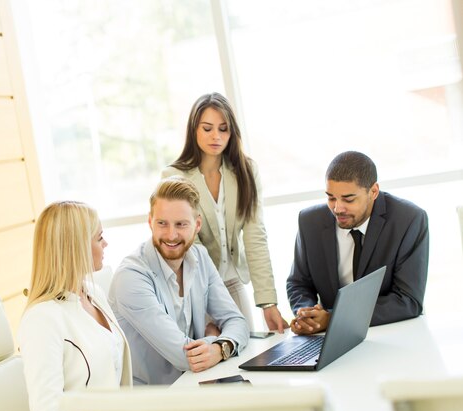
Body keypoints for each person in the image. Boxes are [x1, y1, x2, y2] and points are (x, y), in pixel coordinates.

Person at [162, 92, 288, 333]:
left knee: (248, 352)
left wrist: (268, 302)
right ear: (193, 130)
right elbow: (189, 244)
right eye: (207, 128)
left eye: (223, 129)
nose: (216, 137)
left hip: (232, 281)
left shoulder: (246, 171)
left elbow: (255, 237)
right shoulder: (173, 177)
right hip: (194, 287)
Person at [109, 176, 249, 385]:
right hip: (153, 400)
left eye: (181, 224)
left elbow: (238, 322)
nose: (171, 235)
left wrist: (220, 347)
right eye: (162, 223)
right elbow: (184, 357)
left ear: (197, 224)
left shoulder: (200, 257)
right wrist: (212, 337)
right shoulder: (131, 277)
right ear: (150, 222)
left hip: (196, 385)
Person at [286, 151, 429, 335]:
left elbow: (408, 301)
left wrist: (334, 318)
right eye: (331, 197)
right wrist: (307, 315)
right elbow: (298, 283)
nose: (337, 208)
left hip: (390, 331)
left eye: (348, 199)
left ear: (374, 191)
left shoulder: (409, 220)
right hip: (330, 339)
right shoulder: (309, 221)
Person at [18, 201, 132, 411]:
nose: (105, 243)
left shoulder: (93, 292)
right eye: (99, 238)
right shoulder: (41, 320)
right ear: (76, 247)